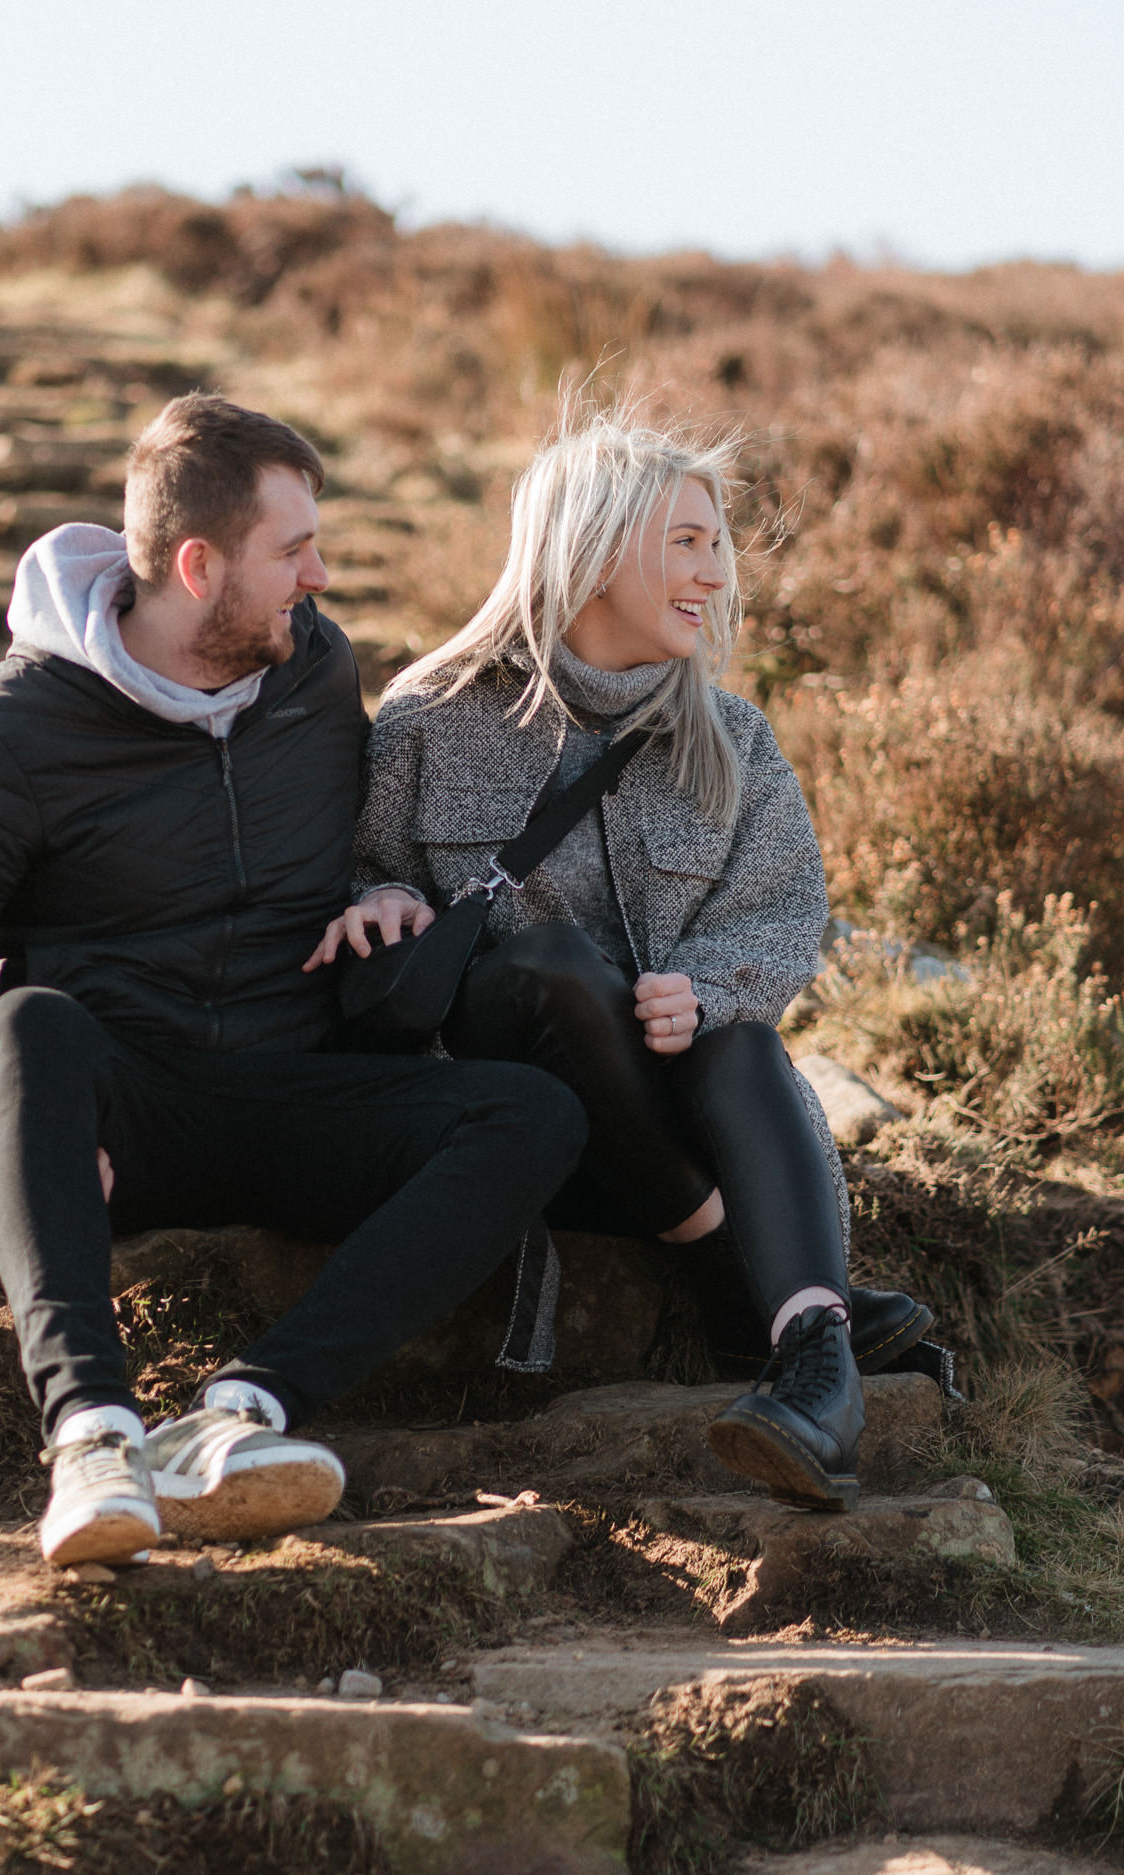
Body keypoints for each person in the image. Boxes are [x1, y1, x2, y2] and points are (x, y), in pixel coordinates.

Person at [0, 394, 587, 1567]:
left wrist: (381, 894)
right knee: (25, 1027)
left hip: (297, 1090)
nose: (318, 577)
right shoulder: (7, 732)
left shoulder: (313, 671)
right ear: (197, 566)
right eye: (292, 552)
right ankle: (91, 1438)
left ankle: (240, 1412)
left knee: (530, 1114)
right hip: (124, 1118)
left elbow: (358, 846)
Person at [333, 415, 930, 1512]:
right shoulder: (432, 713)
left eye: (718, 545)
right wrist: (381, 898)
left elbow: (780, 917)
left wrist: (701, 989)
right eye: (687, 543)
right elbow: (366, 870)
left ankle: (814, 1370)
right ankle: (733, 1280)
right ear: (595, 549)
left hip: (674, 1121)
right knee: (556, 966)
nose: (716, 573)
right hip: (513, 1122)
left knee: (742, 1045)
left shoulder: (734, 740)